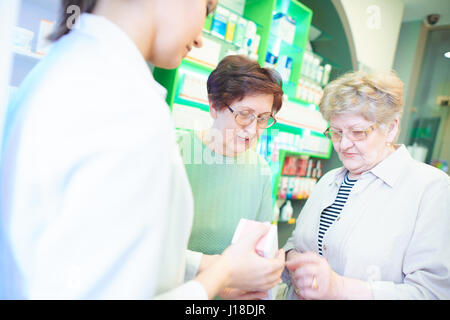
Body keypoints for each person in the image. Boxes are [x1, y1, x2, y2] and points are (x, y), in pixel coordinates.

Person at [0, 0, 284, 299]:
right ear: (215, 107)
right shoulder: (123, 105)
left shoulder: (73, 69)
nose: (200, 36)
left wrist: (213, 267)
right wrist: (223, 272)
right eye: (207, 7)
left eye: (263, 119)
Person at [282, 71, 450, 300]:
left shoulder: (431, 189)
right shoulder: (328, 180)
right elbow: (297, 242)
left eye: (358, 133)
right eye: (336, 132)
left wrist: (338, 289)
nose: (344, 144)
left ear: (391, 128)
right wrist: (293, 261)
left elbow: (432, 293)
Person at [177, 55, 284, 298]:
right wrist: (219, 281)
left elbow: (259, 253)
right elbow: (150, 249)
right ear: (214, 106)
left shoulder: (260, 170)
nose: (252, 129)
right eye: (244, 114)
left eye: (262, 118)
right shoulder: (176, 152)